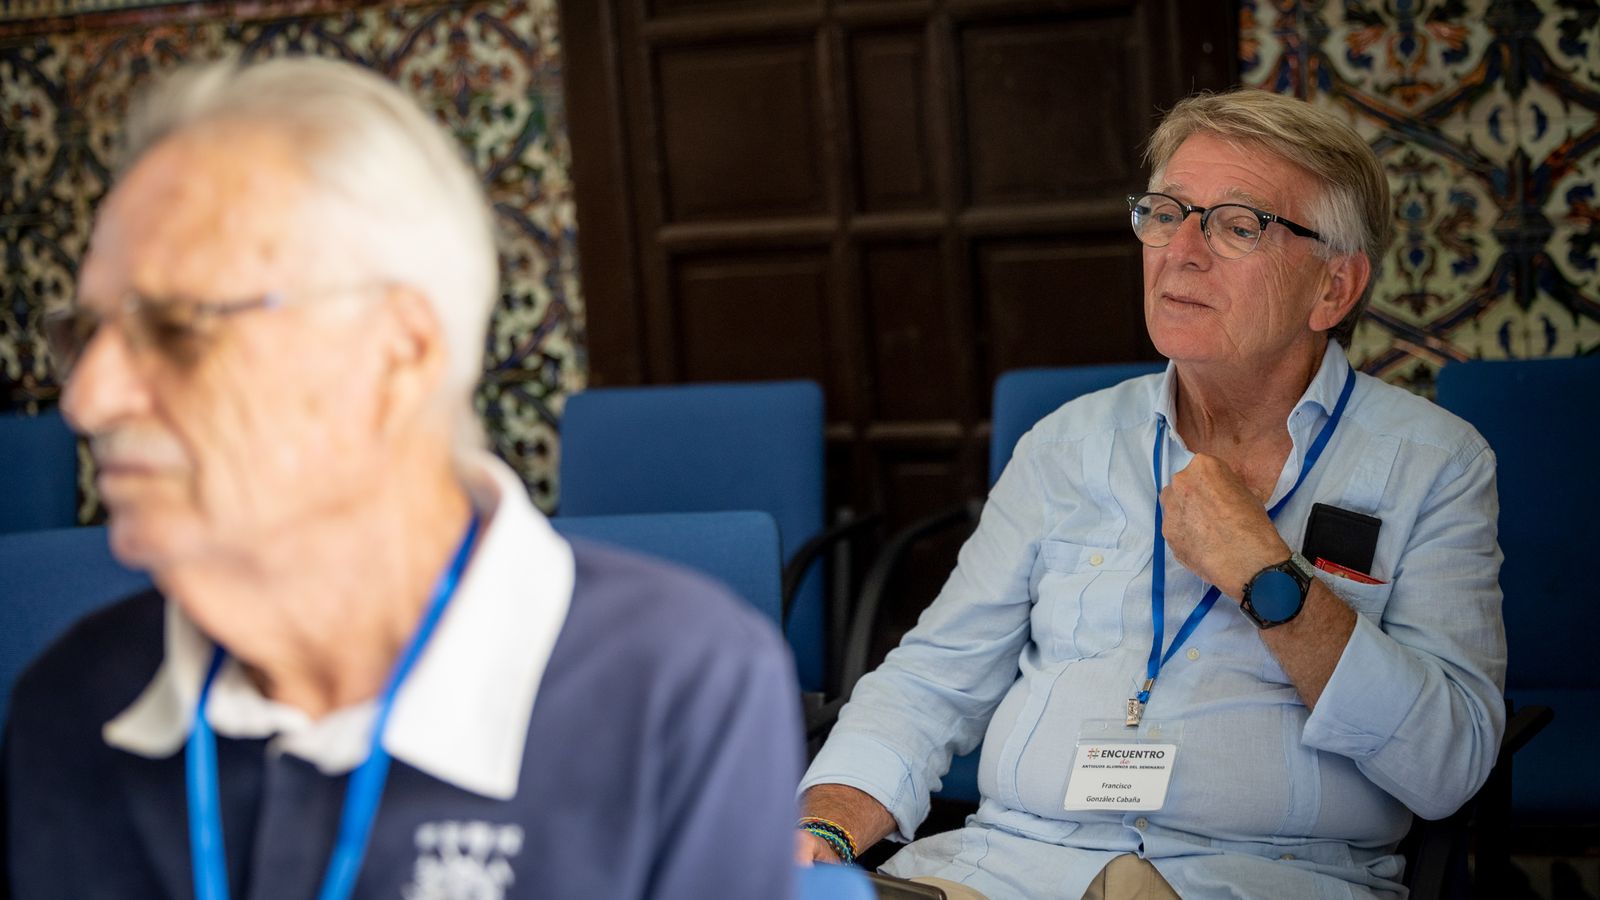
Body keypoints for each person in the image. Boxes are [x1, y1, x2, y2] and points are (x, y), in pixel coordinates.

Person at [3, 57, 802, 899]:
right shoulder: (72, 702)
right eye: (83, 336)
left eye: (174, 327)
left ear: (398, 353)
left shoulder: (669, 689)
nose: (87, 398)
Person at [797, 89, 1505, 899]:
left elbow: (1450, 763)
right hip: (1011, 866)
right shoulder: (1067, 445)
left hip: (1255, 877)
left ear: (1334, 289)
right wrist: (826, 824)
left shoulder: (1434, 463)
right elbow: (932, 680)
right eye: (1167, 214)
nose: (1182, 250)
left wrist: (1269, 577)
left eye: (1239, 225)